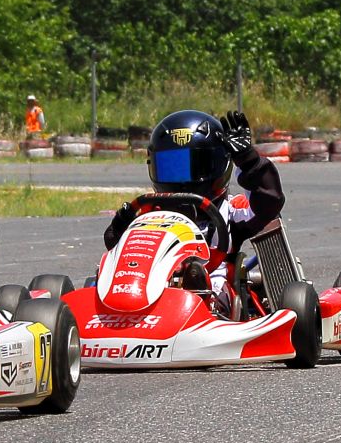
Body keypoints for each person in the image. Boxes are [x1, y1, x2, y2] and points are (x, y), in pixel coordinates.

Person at [103, 110, 285, 316]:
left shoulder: (232, 209)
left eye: (196, 167)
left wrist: (248, 160)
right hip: (152, 286)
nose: (182, 181)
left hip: (213, 294)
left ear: (219, 165)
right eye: (171, 168)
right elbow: (117, 245)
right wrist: (120, 226)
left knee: (205, 279)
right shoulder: (150, 213)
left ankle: (195, 287)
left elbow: (270, 202)